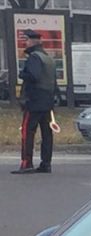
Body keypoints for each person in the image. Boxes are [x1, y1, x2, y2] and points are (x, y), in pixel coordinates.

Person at [13, 30, 58, 175]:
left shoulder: (34, 57)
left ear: (33, 41)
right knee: (47, 134)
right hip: (48, 101)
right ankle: (46, 164)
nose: (25, 43)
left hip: (34, 101)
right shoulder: (48, 59)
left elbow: (33, 75)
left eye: (26, 40)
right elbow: (54, 82)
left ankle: (26, 163)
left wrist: (22, 74)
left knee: (28, 131)